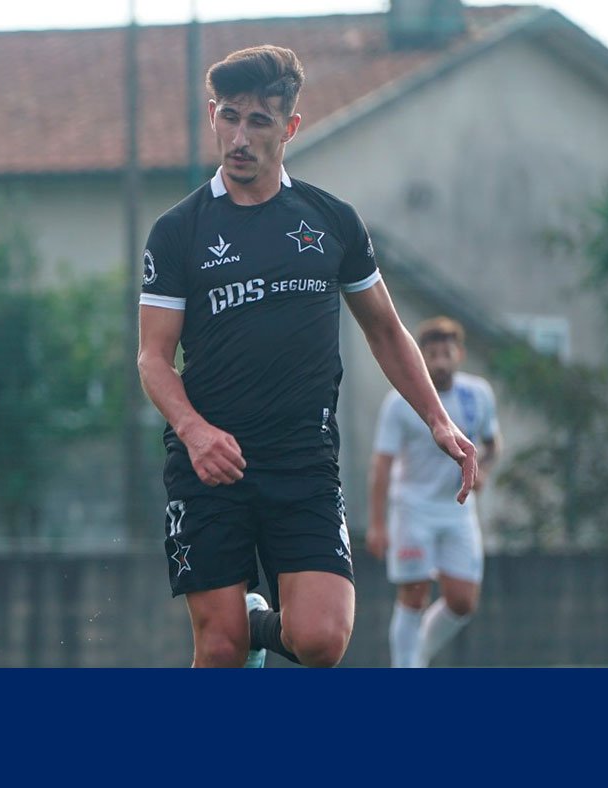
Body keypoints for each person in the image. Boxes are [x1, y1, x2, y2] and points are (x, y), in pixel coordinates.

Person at [136, 44, 477, 668]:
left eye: (259, 121)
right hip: (211, 464)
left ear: (289, 127)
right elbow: (153, 359)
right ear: (212, 115)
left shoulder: (330, 222)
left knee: (320, 639)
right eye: (229, 117)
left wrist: (437, 418)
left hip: (303, 461)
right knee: (218, 648)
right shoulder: (178, 231)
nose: (240, 137)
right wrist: (195, 431)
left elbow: (385, 329)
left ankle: (259, 623)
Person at [366, 317, 500, 667]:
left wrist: (481, 470)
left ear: (459, 355)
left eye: (446, 353)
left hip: (457, 510)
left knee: (463, 601)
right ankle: (406, 668)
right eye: (432, 354)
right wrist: (377, 524)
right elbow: (381, 465)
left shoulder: (478, 394)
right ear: (420, 357)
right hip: (412, 508)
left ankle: (417, 658)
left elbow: (493, 443)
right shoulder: (400, 403)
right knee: (414, 595)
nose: (440, 361)